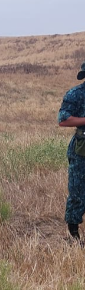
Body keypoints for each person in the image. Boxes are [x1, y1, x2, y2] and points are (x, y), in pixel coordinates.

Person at [58, 60, 85, 242]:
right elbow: (63, 120)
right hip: (81, 152)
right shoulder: (75, 94)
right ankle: (74, 236)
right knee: (77, 193)